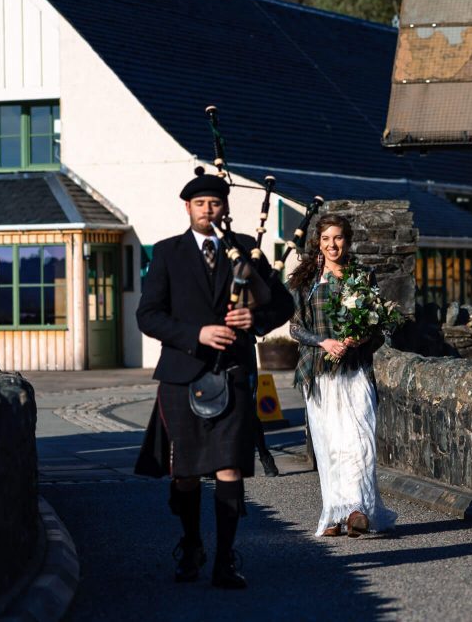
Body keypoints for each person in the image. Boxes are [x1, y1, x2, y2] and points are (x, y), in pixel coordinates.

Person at [134, 170, 294, 589]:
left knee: (229, 467)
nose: (208, 209)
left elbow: (283, 304)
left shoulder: (244, 250)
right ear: (187, 208)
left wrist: (254, 319)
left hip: (233, 372)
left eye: (215, 203)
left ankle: (225, 559)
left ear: (225, 208)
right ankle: (191, 546)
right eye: (200, 203)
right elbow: (147, 315)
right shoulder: (168, 253)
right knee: (184, 472)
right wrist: (196, 335)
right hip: (182, 374)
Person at [287, 214, 397, 538]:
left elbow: (379, 328)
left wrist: (359, 339)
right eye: (326, 239)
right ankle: (335, 512)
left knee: (360, 442)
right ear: (318, 243)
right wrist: (323, 341)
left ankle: (357, 510)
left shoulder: (363, 276)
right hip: (320, 372)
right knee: (331, 445)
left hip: (355, 371)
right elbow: (295, 327)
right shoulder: (306, 282)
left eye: (338, 238)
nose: (332, 244)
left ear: (347, 241)